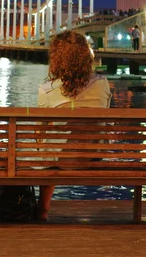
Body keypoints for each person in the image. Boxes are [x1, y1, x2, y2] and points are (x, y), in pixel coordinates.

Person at [37, 31, 112, 221]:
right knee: (55, 148)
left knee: (48, 150)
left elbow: (40, 131)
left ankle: (43, 209)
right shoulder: (102, 83)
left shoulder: (47, 90)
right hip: (95, 155)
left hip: (61, 161)